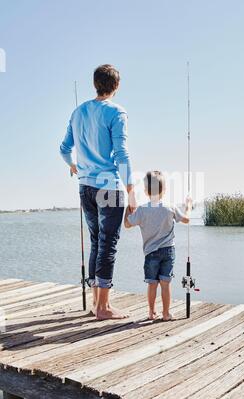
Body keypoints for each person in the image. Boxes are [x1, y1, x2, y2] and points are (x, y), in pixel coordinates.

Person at [60, 64, 136, 320]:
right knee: (108, 245)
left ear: (96, 84)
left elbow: (63, 148)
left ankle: (95, 303)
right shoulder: (117, 112)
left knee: (96, 242)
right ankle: (103, 308)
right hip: (109, 187)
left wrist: (73, 165)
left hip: (86, 188)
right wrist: (132, 189)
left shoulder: (78, 112)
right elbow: (121, 153)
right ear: (117, 86)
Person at [124, 171, 192, 321]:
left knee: (152, 284)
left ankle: (151, 312)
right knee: (166, 283)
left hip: (150, 253)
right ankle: (166, 313)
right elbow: (186, 219)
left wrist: (128, 207)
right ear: (165, 190)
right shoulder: (170, 207)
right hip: (168, 251)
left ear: (146, 191)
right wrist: (188, 205)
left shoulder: (142, 210)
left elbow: (127, 224)